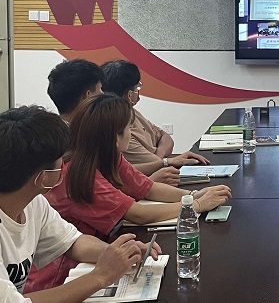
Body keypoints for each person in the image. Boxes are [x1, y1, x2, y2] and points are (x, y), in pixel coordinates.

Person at [27, 94, 232, 290]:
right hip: (62, 276)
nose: (130, 133)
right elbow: (138, 214)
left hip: (93, 255)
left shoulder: (108, 156)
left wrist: (193, 195)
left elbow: (147, 187)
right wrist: (196, 205)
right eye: (128, 128)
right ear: (116, 137)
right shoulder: (79, 175)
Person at [0, 105, 158, 303]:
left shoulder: (33, 202)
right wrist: (100, 276)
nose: (65, 164)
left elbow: (72, 241)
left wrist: (117, 255)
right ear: (43, 177)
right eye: (61, 159)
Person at [100, 60, 209, 186]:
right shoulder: (118, 129)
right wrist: (164, 161)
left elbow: (165, 137)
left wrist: (161, 159)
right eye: (137, 87)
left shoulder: (131, 112)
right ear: (129, 95)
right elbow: (148, 169)